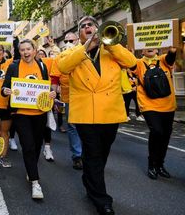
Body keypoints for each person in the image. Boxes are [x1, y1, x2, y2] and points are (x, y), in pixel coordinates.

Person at [58, 16, 137, 214]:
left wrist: (111, 45)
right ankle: (102, 200)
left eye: (90, 25)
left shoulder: (112, 49)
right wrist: (85, 47)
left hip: (110, 111)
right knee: (93, 154)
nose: (87, 28)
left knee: (102, 153)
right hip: (85, 113)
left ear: (97, 28)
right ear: (79, 34)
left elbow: (131, 62)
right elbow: (63, 67)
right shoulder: (74, 51)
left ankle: (89, 179)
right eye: (83, 26)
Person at [2, 39, 57, 199]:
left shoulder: (42, 66)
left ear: (34, 50)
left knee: (37, 144)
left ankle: (30, 169)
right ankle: (35, 182)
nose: (26, 52)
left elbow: (46, 88)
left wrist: (52, 95)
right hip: (21, 114)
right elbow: (4, 88)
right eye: (22, 50)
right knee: (28, 146)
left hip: (39, 113)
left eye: (28, 49)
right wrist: (6, 91)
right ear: (19, 52)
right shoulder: (14, 66)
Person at [132, 47, 177, 179]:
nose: (150, 47)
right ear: (142, 51)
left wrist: (173, 51)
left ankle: (160, 165)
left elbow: (170, 58)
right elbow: (129, 63)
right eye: (146, 45)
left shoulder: (163, 59)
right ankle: (152, 164)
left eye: (153, 45)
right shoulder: (139, 63)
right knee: (157, 131)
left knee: (165, 135)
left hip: (168, 105)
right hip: (148, 104)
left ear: (157, 49)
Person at [51, 32, 83, 170]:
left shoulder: (85, 54)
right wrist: (53, 94)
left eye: (72, 40)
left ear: (78, 40)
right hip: (68, 97)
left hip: (86, 96)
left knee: (88, 127)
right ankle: (77, 155)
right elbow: (55, 78)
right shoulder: (59, 58)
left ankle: (90, 154)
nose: (69, 42)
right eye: (66, 40)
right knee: (73, 126)